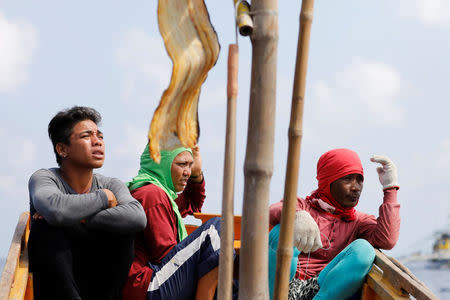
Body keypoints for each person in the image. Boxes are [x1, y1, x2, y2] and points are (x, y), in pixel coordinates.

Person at [28, 106, 147, 300]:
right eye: (86, 136)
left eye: (99, 135)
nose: (97, 141)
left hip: (98, 283)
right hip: (57, 286)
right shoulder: (45, 178)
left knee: (123, 230)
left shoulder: (111, 184)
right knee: (47, 227)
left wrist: (76, 218)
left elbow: (137, 217)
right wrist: (103, 199)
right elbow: (55, 210)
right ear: (62, 149)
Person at [269, 148, 400, 300]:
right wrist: (297, 215)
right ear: (328, 181)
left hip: (319, 290)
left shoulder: (358, 222)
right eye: (347, 178)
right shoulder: (302, 206)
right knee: (281, 231)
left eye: (359, 179)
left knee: (364, 250)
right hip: (277, 289)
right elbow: (272, 211)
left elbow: (387, 239)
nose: (356, 187)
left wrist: (390, 188)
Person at [122, 143, 222, 300]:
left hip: (155, 281)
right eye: (182, 164)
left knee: (232, 288)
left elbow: (191, 203)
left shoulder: (162, 195)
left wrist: (197, 174)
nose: (187, 172)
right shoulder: (151, 195)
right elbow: (167, 257)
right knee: (217, 229)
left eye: (190, 165)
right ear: (161, 164)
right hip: (147, 287)